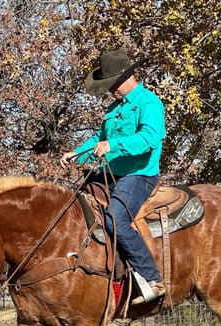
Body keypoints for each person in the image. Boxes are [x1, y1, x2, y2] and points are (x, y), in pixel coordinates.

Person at [60, 49, 166, 305]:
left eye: (112, 86)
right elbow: (99, 138)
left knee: (115, 219)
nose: (110, 91)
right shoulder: (114, 107)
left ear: (127, 78)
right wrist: (78, 153)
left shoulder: (149, 103)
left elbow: (150, 139)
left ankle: (152, 278)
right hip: (111, 174)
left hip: (138, 176)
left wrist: (114, 145)